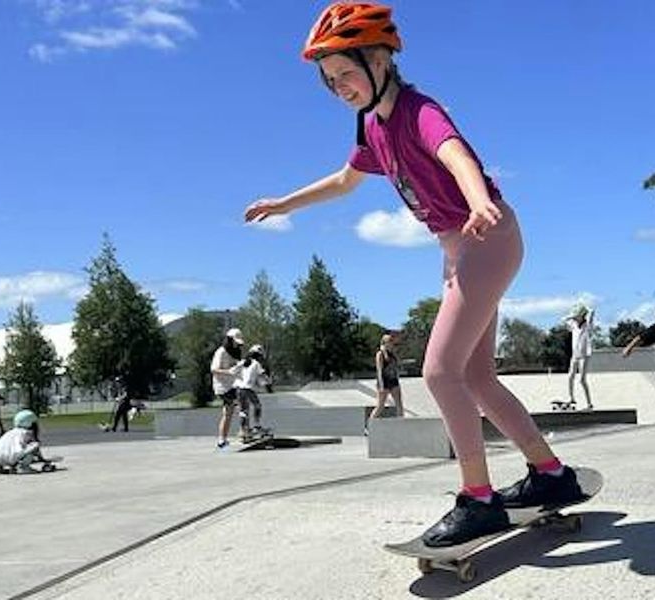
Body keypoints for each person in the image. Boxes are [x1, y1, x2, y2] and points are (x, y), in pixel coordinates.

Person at [244, 3, 584, 547]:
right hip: (460, 251)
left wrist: (478, 202)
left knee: (439, 372)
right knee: (475, 377)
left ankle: (479, 497)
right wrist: (286, 204)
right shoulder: (372, 127)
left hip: (486, 237)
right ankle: (550, 475)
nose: (340, 88)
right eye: (329, 82)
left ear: (381, 59)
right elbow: (344, 181)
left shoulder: (419, 111)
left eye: (347, 73)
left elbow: (457, 156)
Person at [211, 328, 246, 450]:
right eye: (235, 342)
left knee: (229, 413)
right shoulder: (221, 352)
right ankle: (243, 433)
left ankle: (222, 440)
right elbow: (214, 370)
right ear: (229, 340)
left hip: (234, 384)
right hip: (222, 386)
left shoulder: (237, 352)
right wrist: (229, 372)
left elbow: (237, 368)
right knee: (238, 406)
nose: (237, 345)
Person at [366, 333, 405, 435]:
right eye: (389, 341)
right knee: (380, 406)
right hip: (384, 381)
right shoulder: (380, 354)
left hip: (393, 381)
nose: (392, 343)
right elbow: (379, 370)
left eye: (392, 341)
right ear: (384, 343)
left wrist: (397, 377)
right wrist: (381, 385)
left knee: (399, 404)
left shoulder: (392, 354)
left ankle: (402, 424)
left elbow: (397, 366)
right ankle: (369, 425)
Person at [0, 409, 50, 474]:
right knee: (35, 445)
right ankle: (23, 467)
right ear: (30, 423)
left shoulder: (10, 432)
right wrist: (42, 459)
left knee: (16, 451)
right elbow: (35, 449)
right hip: (11, 458)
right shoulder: (26, 433)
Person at [236, 344, 271, 441]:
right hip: (248, 389)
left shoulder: (242, 362)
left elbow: (233, 371)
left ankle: (243, 431)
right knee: (257, 406)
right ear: (258, 355)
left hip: (239, 388)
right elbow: (263, 375)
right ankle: (257, 426)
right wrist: (268, 380)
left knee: (243, 411)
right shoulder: (256, 363)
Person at [565, 304, 594, 410]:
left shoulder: (587, 326)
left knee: (582, 380)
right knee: (570, 377)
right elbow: (564, 320)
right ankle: (571, 398)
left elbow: (592, 312)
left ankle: (589, 404)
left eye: (577, 317)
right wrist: (573, 315)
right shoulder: (573, 324)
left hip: (584, 355)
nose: (575, 318)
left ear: (582, 316)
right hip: (575, 355)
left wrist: (585, 310)